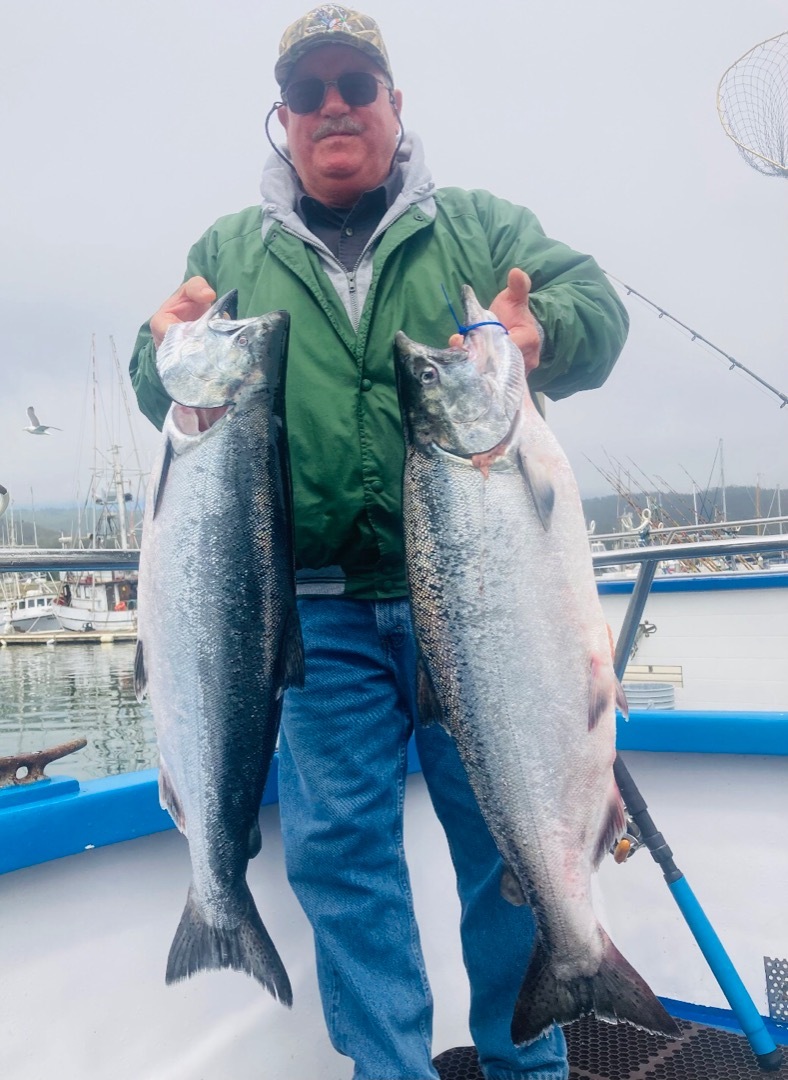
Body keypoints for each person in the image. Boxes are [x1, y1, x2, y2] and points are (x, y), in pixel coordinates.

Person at [130, 6, 629, 1079]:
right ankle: (389, 1069)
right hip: (306, 611)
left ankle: (526, 1061)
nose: (334, 106)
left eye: (355, 83)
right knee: (342, 858)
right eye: (308, 93)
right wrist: (158, 343)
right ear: (283, 120)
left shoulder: (480, 228)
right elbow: (156, 375)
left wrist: (546, 331)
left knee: (506, 831)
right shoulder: (230, 252)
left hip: (482, 599)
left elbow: (595, 306)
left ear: (395, 106)